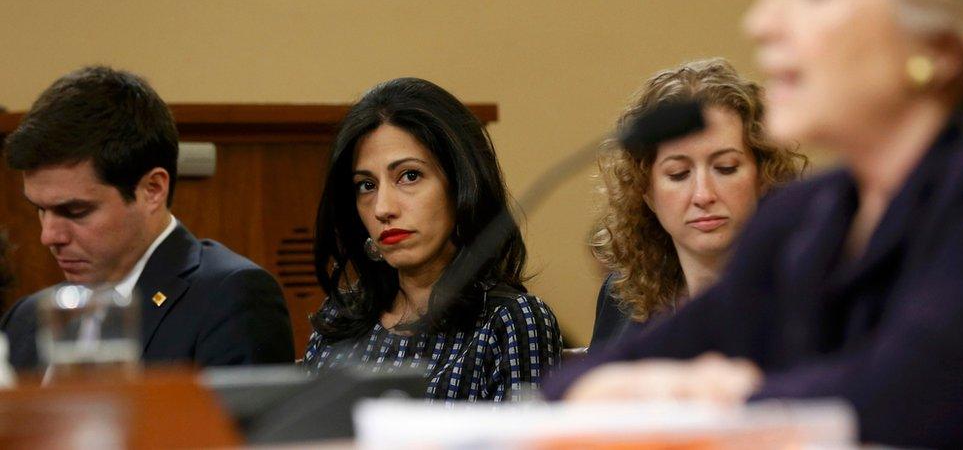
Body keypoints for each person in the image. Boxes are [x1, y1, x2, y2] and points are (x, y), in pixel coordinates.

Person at [547, 0, 963, 447]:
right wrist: (675, 389)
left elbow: (911, 401)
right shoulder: (803, 222)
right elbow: (573, 386)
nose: (761, 21)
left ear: (939, 45)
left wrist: (730, 399)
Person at [0, 66, 294, 369]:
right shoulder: (27, 319)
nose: (49, 236)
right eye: (40, 209)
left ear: (152, 189)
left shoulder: (230, 298)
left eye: (75, 211)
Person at [303, 77, 561, 401]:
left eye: (409, 176)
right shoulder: (338, 319)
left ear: (462, 185)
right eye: (366, 185)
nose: (383, 208)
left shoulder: (510, 321)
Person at [589, 59, 805, 349]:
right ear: (645, 190)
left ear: (764, 177)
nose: (703, 195)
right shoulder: (621, 299)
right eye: (679, 174)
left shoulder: (805, 293)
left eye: (726, 168)